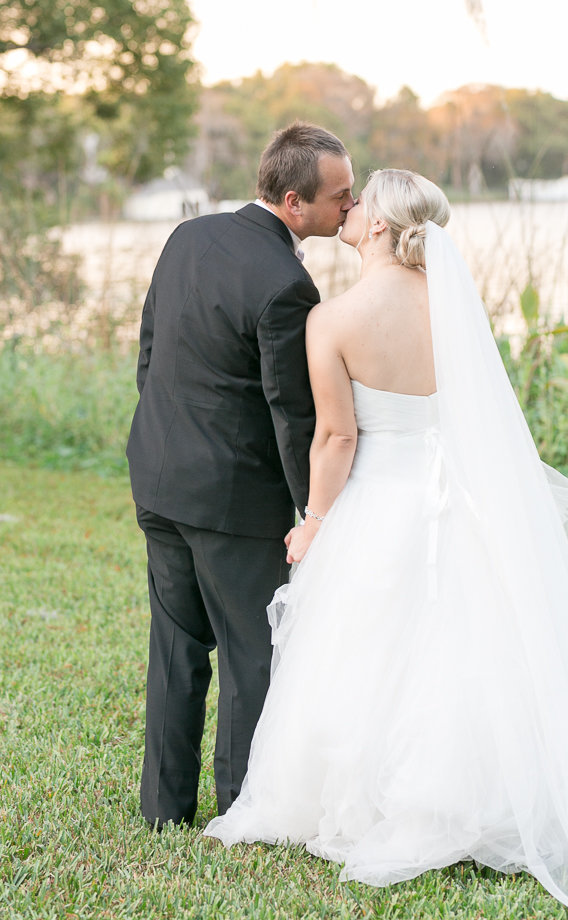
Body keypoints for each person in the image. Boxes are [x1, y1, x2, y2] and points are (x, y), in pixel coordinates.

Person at [205, 168, 568, 920]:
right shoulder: (456, 309)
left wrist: (315, 522)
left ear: (375, 226)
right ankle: (475, 798)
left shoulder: (332, 321)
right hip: (463, 503)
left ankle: (376, 806)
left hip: (382, 500)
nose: (353, 205)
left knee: (369, 650)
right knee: (469, 649)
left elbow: (336, 436)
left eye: (361, 198)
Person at [126, 123, 355, 831]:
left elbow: (150, 353)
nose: (350, 208)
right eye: (340, 197)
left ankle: (163, 812)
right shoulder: (288, 284)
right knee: (254, 654)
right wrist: (310, 511)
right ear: (294, 201)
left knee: (175, 646)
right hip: (232, 498)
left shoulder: (187, 238)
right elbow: (292, 414)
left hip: (159, 476)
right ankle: (243, 806)